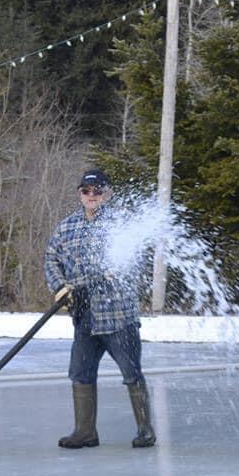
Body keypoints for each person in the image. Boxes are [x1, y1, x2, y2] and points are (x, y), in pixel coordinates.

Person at [44, 168, 156, 449]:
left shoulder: (121, 225)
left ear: (108, 194)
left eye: (97, 191)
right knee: (80, 373)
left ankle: (145, 430)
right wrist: (61, 288)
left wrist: (110, 275)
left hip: (118, 317)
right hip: (85, 318)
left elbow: (136, 261)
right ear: (79, 194)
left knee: (132, 372)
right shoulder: (67, 227)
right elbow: (51, 259)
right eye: (86, 191)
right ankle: (85, 432)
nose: (91, 196)